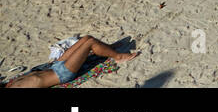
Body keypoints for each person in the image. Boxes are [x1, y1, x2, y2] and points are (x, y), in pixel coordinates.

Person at [3, 35, 138, 88]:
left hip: (53, 66)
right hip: (61, 73)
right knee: (90, 43)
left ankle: (109, 48)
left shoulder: (8, 84)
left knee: (86, 39)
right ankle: (118, 57)